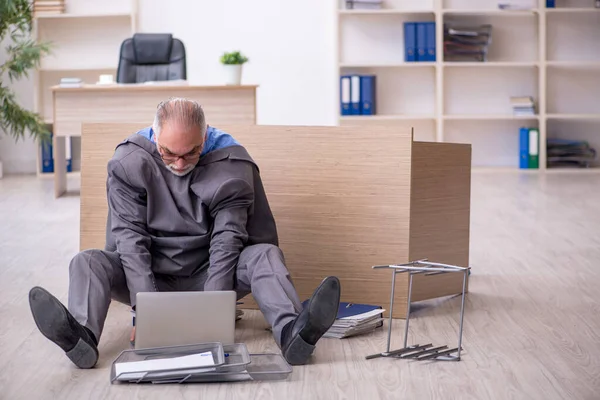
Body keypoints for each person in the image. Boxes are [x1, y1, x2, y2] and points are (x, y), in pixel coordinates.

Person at [28, 97, 341, 369]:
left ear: (204, 140)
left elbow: (227, 241)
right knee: (86, 262)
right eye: (167, 153)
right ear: (155, 136)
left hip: (212, 274)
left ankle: (293, 334)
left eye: (190, 153)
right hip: (150, 274)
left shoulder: (232, 163)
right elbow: (129, 238)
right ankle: (81, 337)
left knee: (266, 257)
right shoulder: (128, 162)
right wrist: (147, 314)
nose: (178, 164)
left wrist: (210, 316)